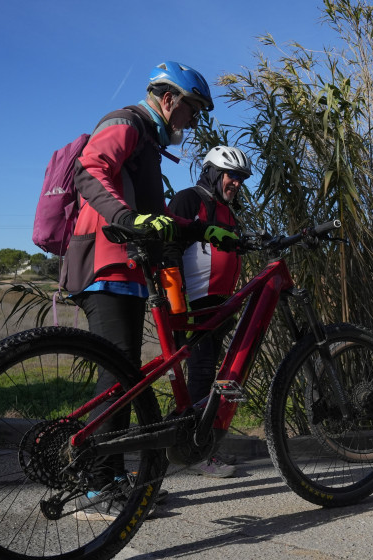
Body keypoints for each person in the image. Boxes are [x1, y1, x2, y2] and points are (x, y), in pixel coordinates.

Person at [62, 61, 235, 520]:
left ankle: (116, 480)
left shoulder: (151, 143)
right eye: (193, 109)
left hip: (128, 271)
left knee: (125, 374)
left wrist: (202, 231)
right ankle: (96, 487)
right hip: (105, 264)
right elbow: (88, 171)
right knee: (117, 372)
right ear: (170, 99)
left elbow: (156, 216)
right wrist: (126, 219)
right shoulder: (127, 123)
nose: (194, 120)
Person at [168, 145, 254, 479]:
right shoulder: (190, 199)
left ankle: (198, 445)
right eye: (233, 176)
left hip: (220, 301)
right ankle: (196, 452)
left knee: (209, 373)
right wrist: (175, 300)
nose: (237, 184)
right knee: (201, 372)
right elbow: (171, 243)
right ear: (215, 173)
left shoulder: (227, 209)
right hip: (194, 302)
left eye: (241, 179)